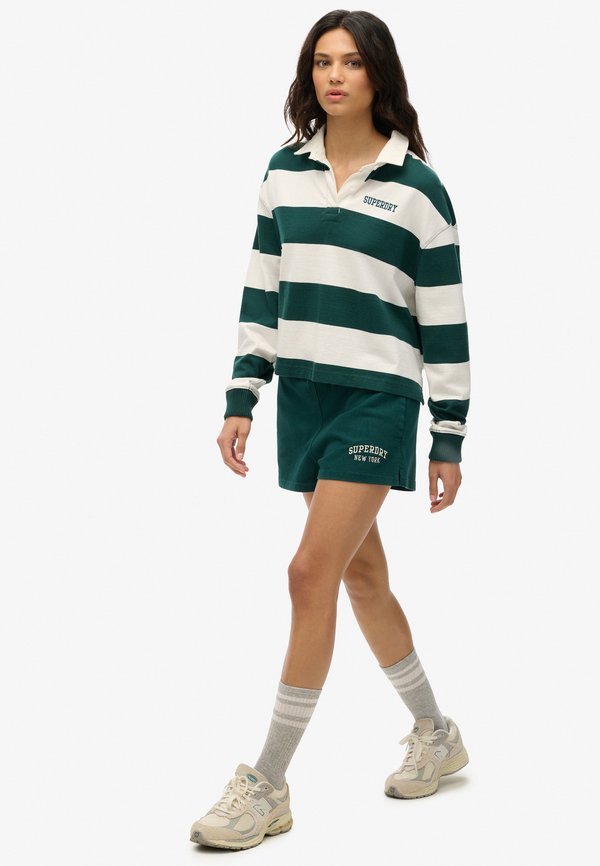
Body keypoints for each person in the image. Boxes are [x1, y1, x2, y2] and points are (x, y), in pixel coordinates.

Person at [191, 8, 471, 851]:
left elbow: (444, 319)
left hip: (376, 399)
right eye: (322, 62)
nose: (335, 76)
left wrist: (448, 433)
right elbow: (262, 288)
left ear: (379, 73)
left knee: (308, 573)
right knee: (363, 578)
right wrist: (242, 394)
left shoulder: (418, 188)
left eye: (350, 61)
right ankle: (438, 733)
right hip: (304, 397)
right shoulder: (284, 171)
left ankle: (268, 783)